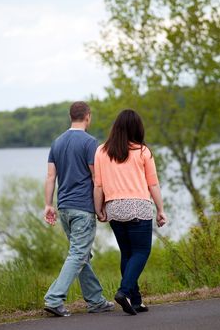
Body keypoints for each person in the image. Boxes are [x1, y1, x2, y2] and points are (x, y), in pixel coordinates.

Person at [43, 101, 114, 317]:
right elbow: (96, 178)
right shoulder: (90, 142)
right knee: (78, 254)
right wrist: (100, 207)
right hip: (82, 208)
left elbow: (50, 176)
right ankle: (54, 299)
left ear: (70, 116)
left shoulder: (57, 142)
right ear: (88, 117)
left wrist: (48, 205)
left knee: (82, 254)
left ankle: (96, 300)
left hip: (64, 208)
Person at [94, 109, 167, 316]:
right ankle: (124, 291)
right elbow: (153, 184)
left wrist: (98, 208)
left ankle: (136, 301)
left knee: (127, 253)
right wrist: (161, 210)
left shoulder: (101, 151)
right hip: (138, 207)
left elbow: (98, 186)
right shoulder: (143, 152)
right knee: (141, 252)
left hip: (114, 208)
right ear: (137, 128)